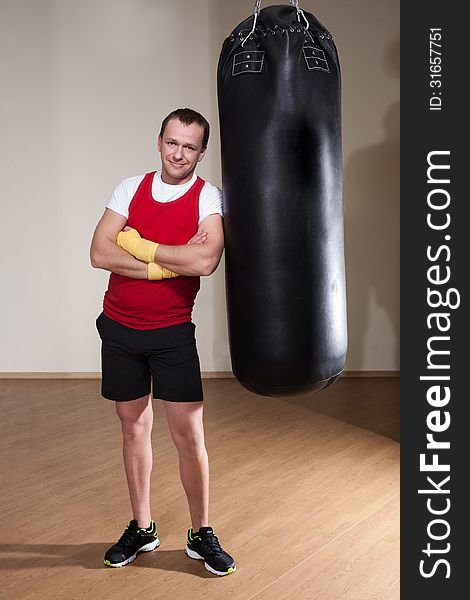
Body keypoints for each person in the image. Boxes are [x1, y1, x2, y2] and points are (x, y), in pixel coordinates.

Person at [90, 108, 235, 576]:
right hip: (119, 327)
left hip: (172, 333)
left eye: (189, 147)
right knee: (133, 429)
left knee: (189, 437)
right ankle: (142, 526)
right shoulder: (129, 188)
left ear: (202, 152)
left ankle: (201, 532)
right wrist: (170, 263)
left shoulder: (208, 197)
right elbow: (98, 252)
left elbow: (207, 260)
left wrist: (139, 246)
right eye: (172, 142)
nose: (179, 153)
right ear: (159, 141)